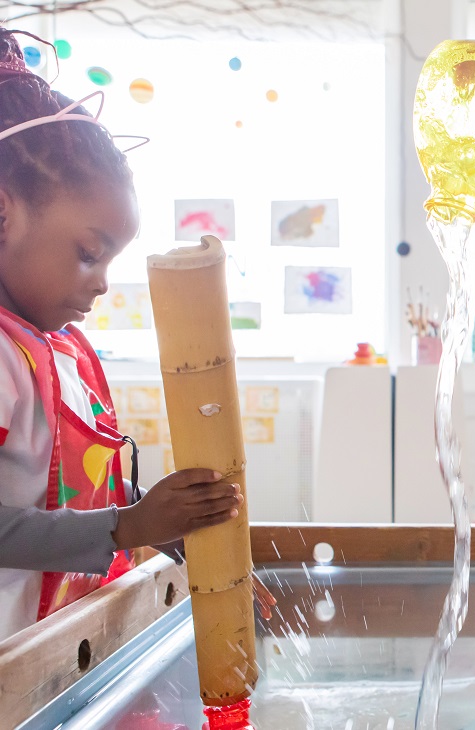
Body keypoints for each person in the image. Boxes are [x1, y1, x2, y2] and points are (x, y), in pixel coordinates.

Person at [0, 28, 244, 642]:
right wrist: (126, 525)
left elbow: (74, 484)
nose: (102, 284)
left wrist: (165, 521)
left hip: (47, 645)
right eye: (88, 254)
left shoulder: (54, 349)